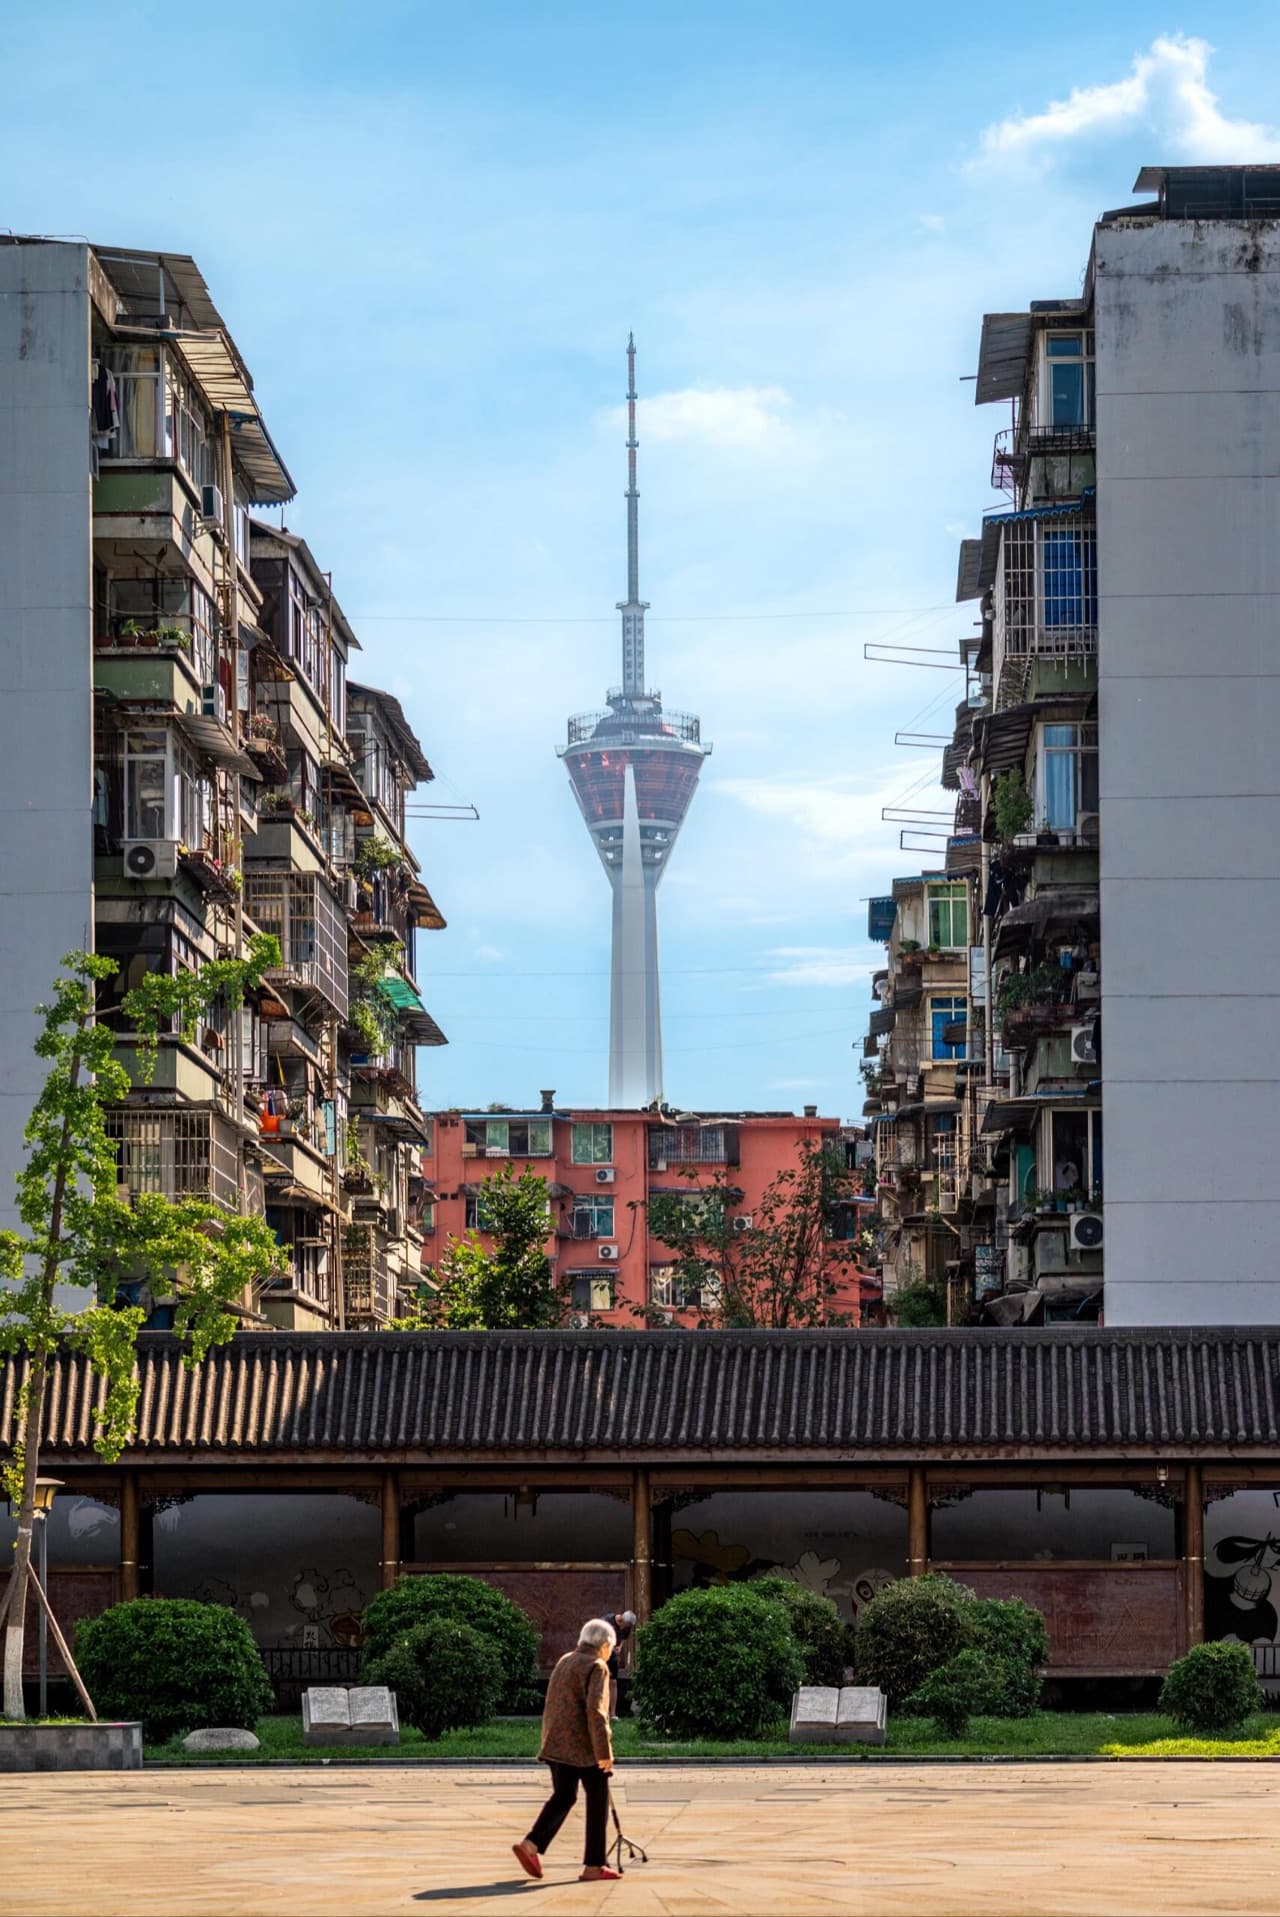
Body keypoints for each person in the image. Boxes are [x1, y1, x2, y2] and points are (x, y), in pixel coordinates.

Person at [512, 1618, 620, 1884]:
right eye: (611, 1649)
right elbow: (596, 1713)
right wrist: (604, 1752)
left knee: (563, 1796)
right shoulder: (597, 1666)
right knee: (597, 1800)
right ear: (604, 1645)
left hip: (555, 1745)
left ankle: (531, 1845)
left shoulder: (565, 1660)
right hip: (583, 1749)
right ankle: (594, 1865)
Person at [602, 1609, 637, 1715]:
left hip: (612, 1656)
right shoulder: (608, 1621)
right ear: (622, 1619)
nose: (626, 1628)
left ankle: (612, 1714)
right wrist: (610, 1646)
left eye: (629, 1627)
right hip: (602, 1653)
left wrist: (619, 1647)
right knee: (601, 1681)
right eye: (626, 1625)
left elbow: (623, 1638)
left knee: (613, 1682)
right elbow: (599, 1636)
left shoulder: (627, 1627)